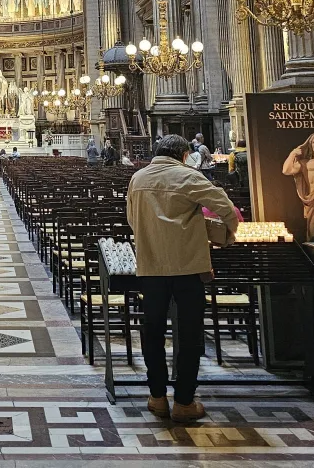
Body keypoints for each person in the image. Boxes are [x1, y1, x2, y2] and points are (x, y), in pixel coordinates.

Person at [127, 134, 239, 423]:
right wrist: (228, 233)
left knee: (152, 332)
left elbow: (131, 218)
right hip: (188, 267)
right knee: (189, 334)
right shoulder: (187, 176)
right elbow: (225, 206)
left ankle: (157, 397)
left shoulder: (138, 178)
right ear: (183, 154)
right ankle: (185, 401)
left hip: (150, 266)